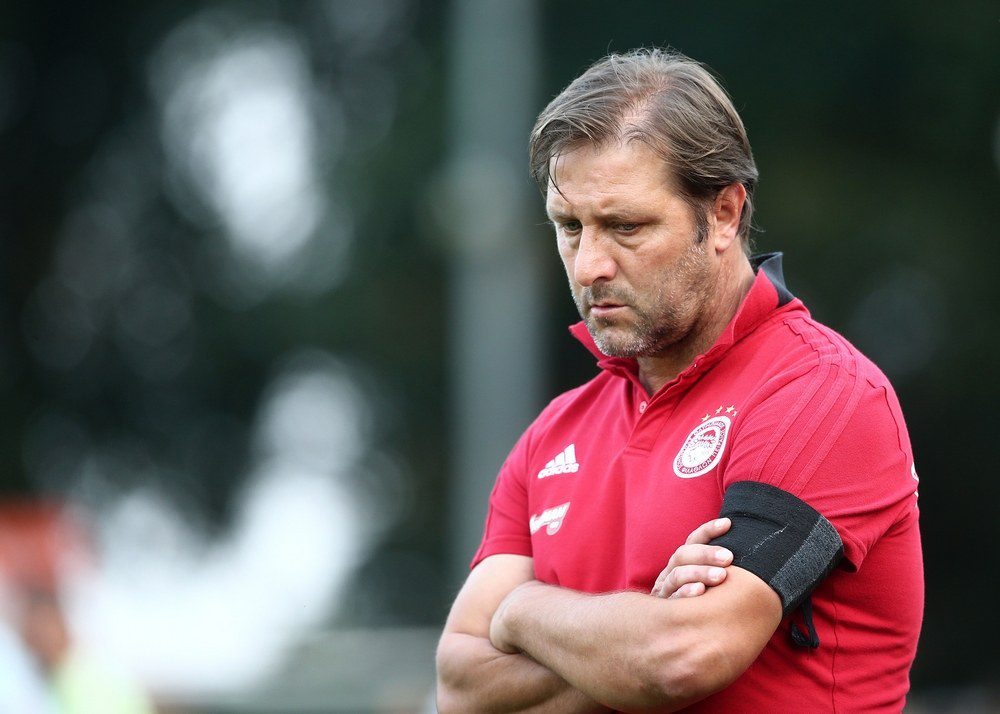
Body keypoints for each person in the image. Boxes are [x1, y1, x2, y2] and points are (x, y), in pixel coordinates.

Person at [435, 48, 922, 712]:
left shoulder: (822, 393)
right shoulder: (553, 434)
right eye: (570, 227)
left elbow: (682, 659)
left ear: (723, 214)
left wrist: (521, 611)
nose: (589, 265)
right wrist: (637, 629)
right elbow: (461, 685)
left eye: (625, 226)